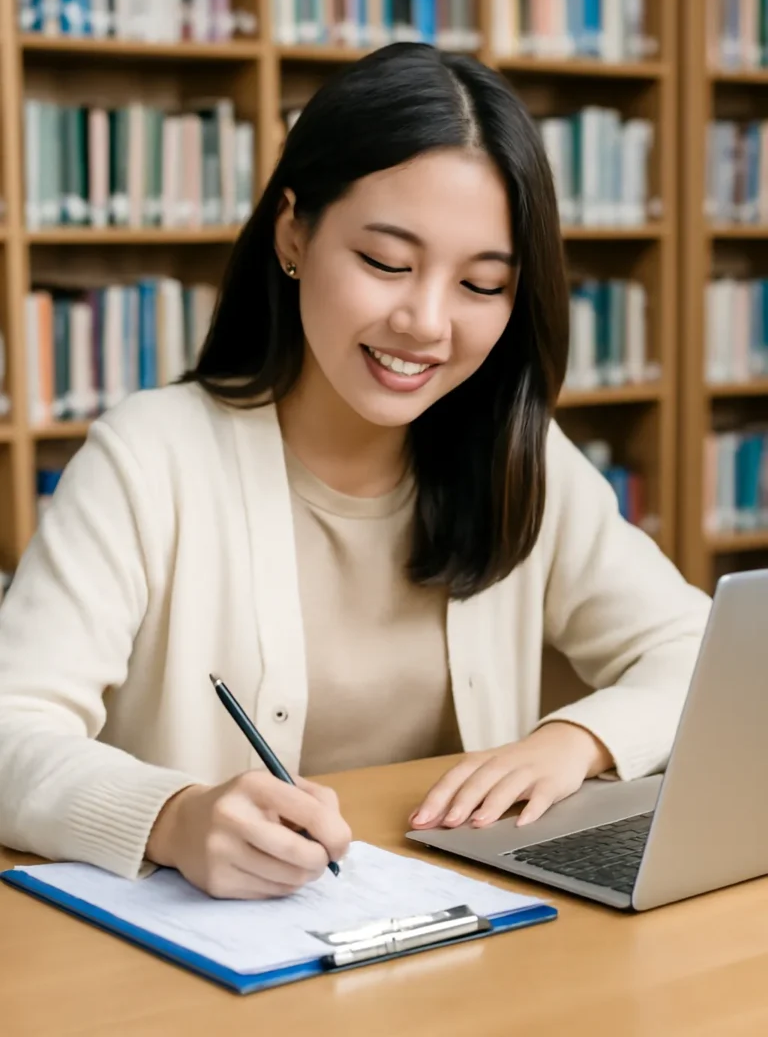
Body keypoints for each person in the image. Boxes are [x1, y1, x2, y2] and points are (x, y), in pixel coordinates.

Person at [0, 44, 711, 901]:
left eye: (482, 284)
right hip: (219, 955)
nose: (426, 323)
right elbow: (11, 728)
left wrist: (579, 741)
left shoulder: (520, 460)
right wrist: (173, 816)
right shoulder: (150, 458)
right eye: (386, 263)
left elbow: (705, 655)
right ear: (293, 233)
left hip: (457, 933)